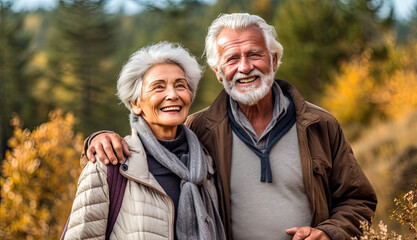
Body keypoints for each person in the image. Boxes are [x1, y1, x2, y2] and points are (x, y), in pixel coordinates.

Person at [82, 13, 377, 240]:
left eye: (255, 54)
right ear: (218, 72)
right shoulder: (200, 130)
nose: (245, 67)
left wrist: (330, 232)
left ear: (274, 60)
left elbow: (358, 199)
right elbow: (151, 149)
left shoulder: (319, 125)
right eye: (232, 59)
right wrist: (98, 139)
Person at [65, 42, 225, 240]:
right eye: (158, 87)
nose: (172, 95)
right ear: (135, 103)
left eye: (180, 85)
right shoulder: (110, 164)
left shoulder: (205, 165)